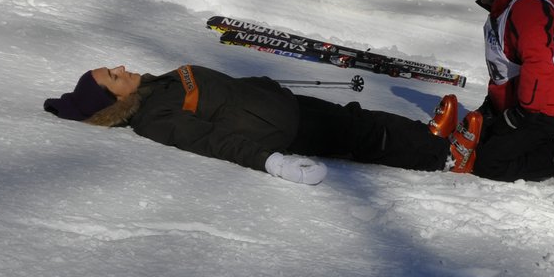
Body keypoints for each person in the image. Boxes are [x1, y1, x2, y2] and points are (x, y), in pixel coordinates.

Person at [44, 64, 448, 182]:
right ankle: (443, 155)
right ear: (116, 99)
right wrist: (274, 162)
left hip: (278, 103)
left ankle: (431, 134)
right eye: (113, 77)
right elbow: (209, 141)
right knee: (364, 137)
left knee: (356, 118)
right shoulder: (154, 117)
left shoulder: (155, 87)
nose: (120, 68)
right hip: (279, 128)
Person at [437, 0, 554, 193]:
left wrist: (521, 115)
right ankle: (543, 141)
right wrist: (492, 105)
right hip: (518, 104)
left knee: (489, 162)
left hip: (543, 111)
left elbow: (538, 64)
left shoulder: (527, 8)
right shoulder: (505, 7)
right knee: (468, 144)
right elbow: (505, 67)